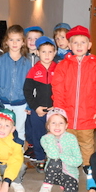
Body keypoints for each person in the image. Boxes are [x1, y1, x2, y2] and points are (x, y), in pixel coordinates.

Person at [52, 25, 96, 172]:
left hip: (88, 115)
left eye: (83, 42)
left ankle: (87, 164)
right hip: (68, 116)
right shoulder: (63, 65)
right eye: (75, 42)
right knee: (67, 142)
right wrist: (59, 111)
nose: (79, 46)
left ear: (89, 45)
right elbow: (57, 90)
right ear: (69, 45)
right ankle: (68, 163)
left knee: (87, 143)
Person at [23, 36, 57, 171]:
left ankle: (54, 158)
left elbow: (63, 89)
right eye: (43, 52)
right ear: (37, 52)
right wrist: (35, 107)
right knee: (38, 134)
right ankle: (40, 158)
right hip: (38, 110)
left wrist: (57, 105)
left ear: (55, 53)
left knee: (54, 134)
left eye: (50, 52)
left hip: (55, 109)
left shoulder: (59, 69)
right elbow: (27, 91)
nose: (47, 55)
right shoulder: (33, 71)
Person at [0, 25, 32, 141]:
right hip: (3, 102)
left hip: (21, 103)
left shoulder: (27, 62)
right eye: (11, 40)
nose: (15, 43)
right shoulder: (0, 60)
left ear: (23, 42)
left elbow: (30, 85)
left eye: (18, 40)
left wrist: (29, 103)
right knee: (2, 129)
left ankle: (18, 153)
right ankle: (1, 154)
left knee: (19, 129)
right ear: (6, 42)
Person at [38, 108, 82, 192]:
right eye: (53, 123)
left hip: (70, 173)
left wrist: (61, 156)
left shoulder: (71, 138)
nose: (57, 126)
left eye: (61, 123)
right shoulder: (45, 139)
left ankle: (64, 183)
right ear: (48, 126)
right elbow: (53, 156)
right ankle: (46, 186)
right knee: (55, 161)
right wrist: (50, 138)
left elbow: (78, 161)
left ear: (66, 125)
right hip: (53, 173)